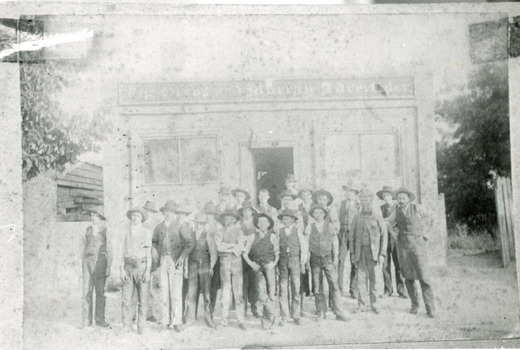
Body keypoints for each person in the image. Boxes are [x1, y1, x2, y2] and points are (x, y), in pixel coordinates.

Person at [386, 188, 436, 318]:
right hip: (403, 247)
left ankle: (431, 309)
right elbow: (388, 223)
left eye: (403, 198)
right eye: (399, 198)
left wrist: (426, 234)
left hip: (418, 246)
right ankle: (415, 305)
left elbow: (431, 218)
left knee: (424, 277)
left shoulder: (417, 208)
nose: (401, 201)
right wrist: (394, 235)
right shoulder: (395, 211)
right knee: (408, 277)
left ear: (408, 198)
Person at [152, 200, 194, 332]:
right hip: (163, 260)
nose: (168, 214)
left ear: (174, 213)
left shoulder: (180, 226)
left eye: (170, 212)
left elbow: (189, 243)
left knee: (176, 293)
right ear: (163, 213)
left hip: (176, 261)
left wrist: (181, 258)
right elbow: (154, 241)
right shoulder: (159, 227)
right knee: (164, 292)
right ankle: (165, 321)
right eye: (166, 212)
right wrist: (154, 249)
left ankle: (176, 321)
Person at [305, 204, 348, 322]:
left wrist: (335, 258)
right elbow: (306, 244)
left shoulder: (329, 226)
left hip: (327, 258)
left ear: (324, 214)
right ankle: (321, 312)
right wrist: (306, 260)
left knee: (334, 284)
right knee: (317, 287)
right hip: (315, 259)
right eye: (315, 213)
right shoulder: (309, 227)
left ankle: (339, 311)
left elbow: (335, 242)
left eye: (320, 213)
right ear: (313, 215)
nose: (318, 215)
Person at [350, 188, 388, 314]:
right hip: (360, 252)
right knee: (361, 279)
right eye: (362, 199)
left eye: (366, 199)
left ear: (371, 200)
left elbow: (384, 235)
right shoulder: (356, 217)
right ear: (359, 201)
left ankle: (375, 304)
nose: (364, 202)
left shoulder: (377, 217)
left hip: (374, 253)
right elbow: (352, 237)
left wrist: (382, 253)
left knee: (375, 279)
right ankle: (362, 305)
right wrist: (352, 253)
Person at [243, 213, 280, 330]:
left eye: (265, 222)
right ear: (257, 224)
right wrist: (251, 263)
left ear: (269, 224)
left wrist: (273, 264)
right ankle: (275, 315)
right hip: (257, 268)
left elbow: (277, 254)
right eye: (260, 222)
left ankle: (266, 320)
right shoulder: (252, 236)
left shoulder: (273, 237)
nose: (262, 224)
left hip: (269, 267)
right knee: (261, 294)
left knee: (271, 293)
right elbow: (244, 252)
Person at [120, 207, 152, 334]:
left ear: (142, 218)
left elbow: (148, 252)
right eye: (133, 215)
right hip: (128, 266)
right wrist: (121, 269)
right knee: (126, 299)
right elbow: (121, 251)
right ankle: (126, 325)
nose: (135, 218)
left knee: (143, 299)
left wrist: (148, 270)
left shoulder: (146, 232)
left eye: (138, 216)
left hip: (141, 266)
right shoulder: (125, 231)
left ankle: (141, 326)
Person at [214, 209, 247, 330]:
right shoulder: (219, 231)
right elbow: (219, 247)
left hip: (237, 263)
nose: (228, 221)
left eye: (231, 218)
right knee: (225, 291)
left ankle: (241, 319)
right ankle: (224, 320)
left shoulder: (239, 232)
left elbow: (240, 247)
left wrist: (229, 247)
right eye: (226, 218)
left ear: (234, 220)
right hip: (224, 263)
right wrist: (232, 246)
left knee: (238, 292)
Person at [184, 212, 218, 329]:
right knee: (192, 292)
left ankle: (208, 317)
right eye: (198, 223)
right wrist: (185, 268)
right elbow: (187, 252)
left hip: (205, 265)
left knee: (207, 293)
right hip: (192, 264)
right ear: (195, 223)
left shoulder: (208, 235)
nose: (199, 225)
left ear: (204, 225)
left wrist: (212, 267)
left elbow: (213, 253)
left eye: (202, 224)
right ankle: (190, 318)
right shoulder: (191, 234)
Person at [80, 208, 112, 328]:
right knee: (86, 292)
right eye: (92, 215)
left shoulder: (105, 231)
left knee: (100, 292)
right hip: (87, 262)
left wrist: (108, 265)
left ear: (101, 219)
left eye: (96, 216)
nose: (93, 218)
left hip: (100, 263)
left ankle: (100, 320)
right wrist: (82, 263)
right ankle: (86, 321)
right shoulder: (86, 230)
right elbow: (82, 247)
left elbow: (110, 249)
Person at [277, 209, 308, 326]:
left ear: (293, 220)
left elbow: (304, 247)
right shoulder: (279, 232)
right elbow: (276, 248)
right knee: (283, 289)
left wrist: (302, 262)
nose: (286, 220)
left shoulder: (298, 231)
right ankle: (284, 316)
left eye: (288, 218)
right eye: (284, 218)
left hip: (295, 261)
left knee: (296, 288)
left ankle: (296, 315)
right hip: (283, 262)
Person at [377, 186, 407, 299]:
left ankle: (401, 289)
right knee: (385, 265)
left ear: (392, 196)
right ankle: (388, 289)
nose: (386, 198)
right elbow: (379, 222)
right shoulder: (381, 209)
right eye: (384, 196)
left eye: (388, 195)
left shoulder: (398, 207)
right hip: (384, 239)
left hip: (396, 238)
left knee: (398, 264)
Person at [338, 182, 361, 298]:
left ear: (355, 193)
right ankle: (339, 289)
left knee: (355, 261)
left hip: (354, 235)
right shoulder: (341, 204)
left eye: (351, 191)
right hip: (342, 234)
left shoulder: (359, 205)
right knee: (340, 261)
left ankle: (353, 289)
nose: (349, 193)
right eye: (347, 190)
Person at [238, 200, 261, 318]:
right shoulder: (239, 223)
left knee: (255, 283)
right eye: (244, 211)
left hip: (254, 255)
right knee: (243, 283)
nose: (246, 213)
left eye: (248, 210)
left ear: (252, 212)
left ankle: (255, 308)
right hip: (242, 256)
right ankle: (244, 309)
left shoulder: (257, 223)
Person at [203, 201, 224, 322]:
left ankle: (210, 311)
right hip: (203, 258)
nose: (208, 216)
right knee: (204, 286)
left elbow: (216, 246)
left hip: (215, 259)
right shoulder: (200, 224)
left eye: (211, 214)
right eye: (207, 213)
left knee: (213, 286)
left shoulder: (218, 226)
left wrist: (212, 264)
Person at [142, 201, 161, 323]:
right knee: (137, 286)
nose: (149, 214)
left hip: (151, 260)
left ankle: (149, 313)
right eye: (147, 211)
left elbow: (158, 242)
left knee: (150, 288)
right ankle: (136, 313)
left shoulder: (157, 226)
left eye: (151, 212)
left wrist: (154, 250)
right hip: (139, 258)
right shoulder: (139, 223)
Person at [297, 186, 314, 317]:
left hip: (312, 236)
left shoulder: (314, 207)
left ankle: (314, 288)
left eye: (307, 194)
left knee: (313, 263)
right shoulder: (299, 207)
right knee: (303, 261)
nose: (305, 196)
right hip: (302, 236)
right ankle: (305, 289)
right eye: (303, 194)